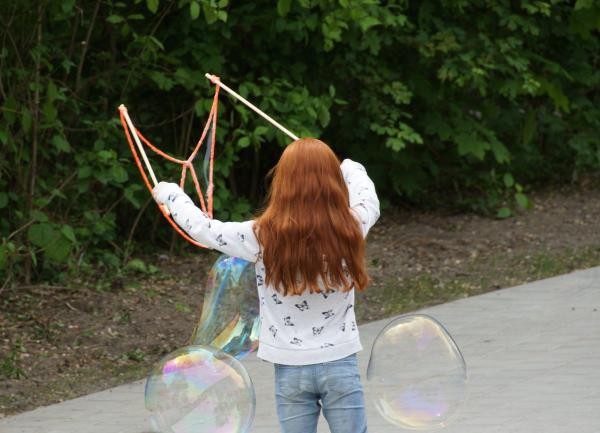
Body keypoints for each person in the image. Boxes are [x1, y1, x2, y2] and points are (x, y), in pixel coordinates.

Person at [153, 137, 380, 433]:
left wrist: (171, 195)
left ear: (282, 183)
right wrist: (351, 167)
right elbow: (369, 198)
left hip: (289, 368)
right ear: (334, 183)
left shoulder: (262, 236)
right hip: (339, 363)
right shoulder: (351, 226)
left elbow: (205, 230)